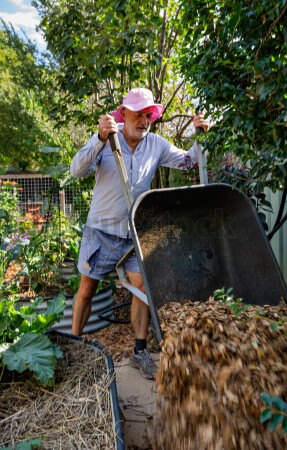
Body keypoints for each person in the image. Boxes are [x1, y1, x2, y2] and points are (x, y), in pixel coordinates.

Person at [70, 87, 209, 380]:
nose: (145, 121)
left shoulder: (156, 144)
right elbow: (76, 170)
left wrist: (201, 135)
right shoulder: (108, 137)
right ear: (124, 115)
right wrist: (99, 139)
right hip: (101, 230)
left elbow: (190, 161)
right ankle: (75, 350)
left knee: (142, 289)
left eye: (149, 115)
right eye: (139, 115)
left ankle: (140, 351)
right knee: (87, 290)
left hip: (134, 231)